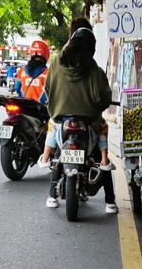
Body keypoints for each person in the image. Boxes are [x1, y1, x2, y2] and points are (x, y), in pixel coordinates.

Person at [38, 25, 117, 213]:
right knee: (102, 146)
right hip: (89, 122)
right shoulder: (94, 69)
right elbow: (103, 99)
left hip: (60, 120)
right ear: (91, 48)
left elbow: (47, 89)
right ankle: (110, 202)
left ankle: (51, 194)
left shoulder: (56, 63)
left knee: (57, 150)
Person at [14, 40, 49, 104]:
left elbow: (17, 88)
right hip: (40, 108)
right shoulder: (48, 73)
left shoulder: (22, 70)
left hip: (23, 105)